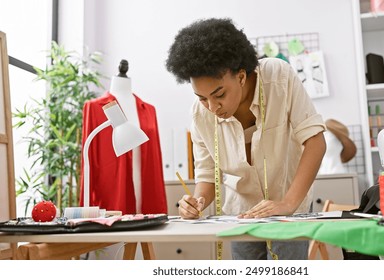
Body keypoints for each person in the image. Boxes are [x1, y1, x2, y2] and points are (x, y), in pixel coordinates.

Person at [165, 18, 326, 260]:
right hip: (239, 212)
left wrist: (288, 204)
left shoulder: (278, 77)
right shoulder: (200, 115)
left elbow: (315, 141)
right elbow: (208, 176)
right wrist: (197, 202)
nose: (212, 107)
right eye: (201, 97)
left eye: (219, 94)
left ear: (241, 77)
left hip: (288, 205)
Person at [80, 60, 167, 215]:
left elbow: (156, 159)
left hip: (145, 187)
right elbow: (88, 160)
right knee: (120, 236)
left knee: (148, 226)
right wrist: (84, 213)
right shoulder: (94, 107)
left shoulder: (149, 110)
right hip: (112, 191)